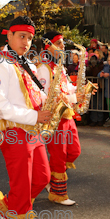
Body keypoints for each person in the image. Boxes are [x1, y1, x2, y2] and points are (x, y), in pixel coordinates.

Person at [0, 16, 51, 219]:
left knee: (42, 177)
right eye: (22, 36)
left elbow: (37, 95)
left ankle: (6, 209)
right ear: (8, 35)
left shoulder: (26, 64)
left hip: (32, 129)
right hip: (13, 131)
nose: (27, 42)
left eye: (30, 38)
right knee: (22, 184)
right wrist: (35, 117)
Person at [37, 30, 83, 206]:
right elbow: (44, 95)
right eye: (59, 43)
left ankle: (47, 178)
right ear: (48, 46)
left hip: (67, 114)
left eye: (63, 43)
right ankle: (58, 193)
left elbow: (67, 87)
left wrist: (79, 91)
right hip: (55, 118)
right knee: (59, 156)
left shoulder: (60, 66)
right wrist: (72, 98)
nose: (63, 47)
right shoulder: (43, 67)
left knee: (74, 151)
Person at [99, 54, 110, 127]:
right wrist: (101, 74)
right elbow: (99, 74)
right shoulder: (106, 67)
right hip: (108, 90)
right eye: (109, 60)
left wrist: (109, 75)